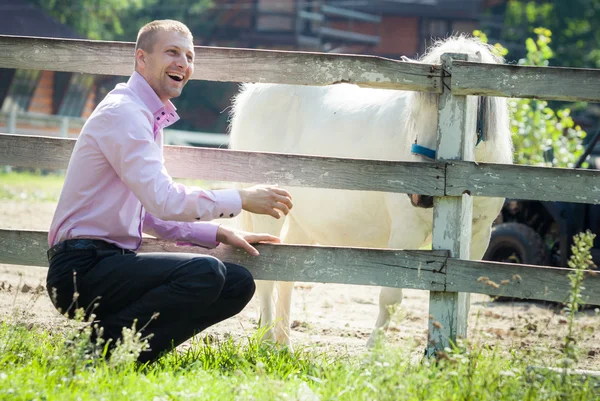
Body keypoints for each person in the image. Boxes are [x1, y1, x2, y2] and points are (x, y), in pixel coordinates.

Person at [45, 19, 293, 364]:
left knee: (237, 282)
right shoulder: (124, 114)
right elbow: (164, 199)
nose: (183, 63)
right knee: (205, 273)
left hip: (110, 264)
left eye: (190, 56)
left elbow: (148, 211)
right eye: (172, 52)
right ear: (141, 59)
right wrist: (242, 198)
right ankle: (89, 351)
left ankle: (128, 356)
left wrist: (219, 232)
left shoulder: (144, 115)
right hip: (80, 270)